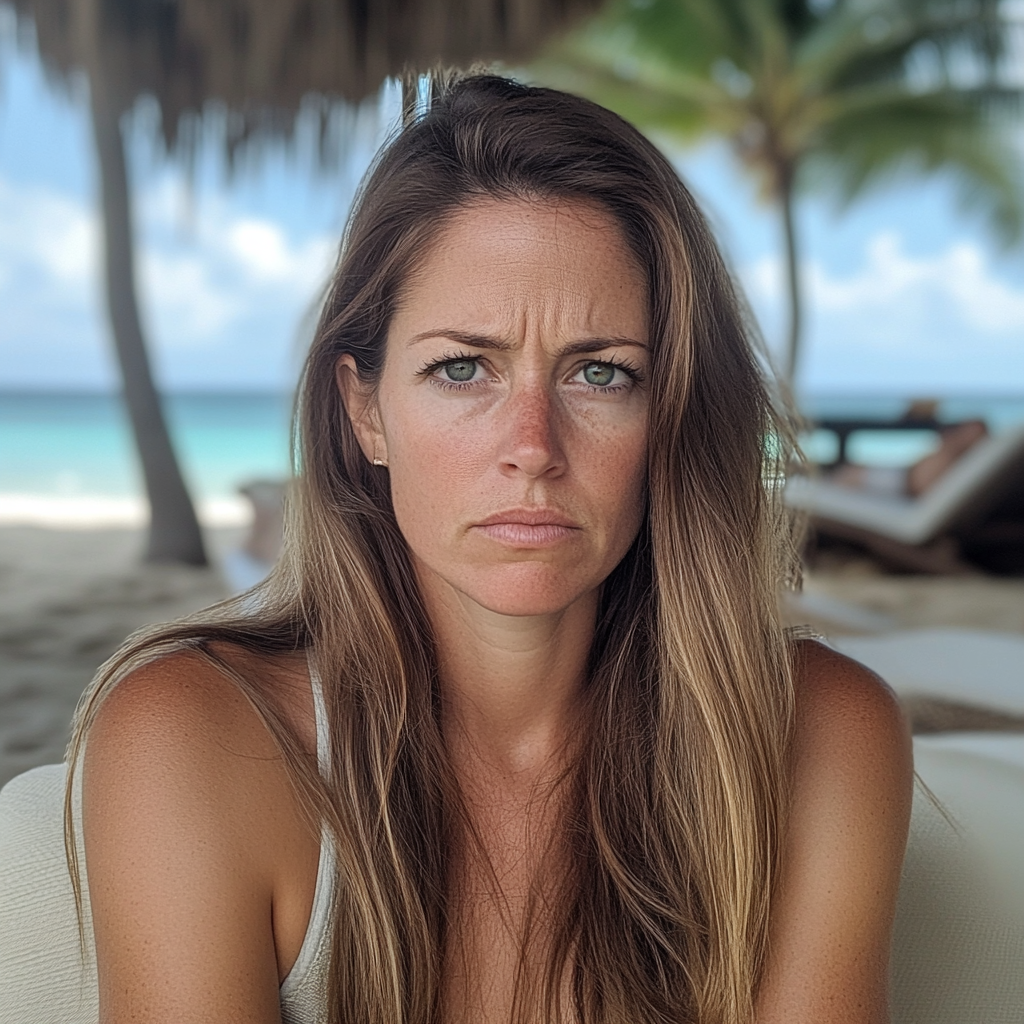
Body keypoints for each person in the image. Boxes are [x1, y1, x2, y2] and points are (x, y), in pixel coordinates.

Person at [0, 74, 912, 1024]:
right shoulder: (198, 738)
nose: (533, 445)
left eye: (602, 373)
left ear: (673, 412)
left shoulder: (819, 737)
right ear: (365, 411)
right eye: (462, 368)